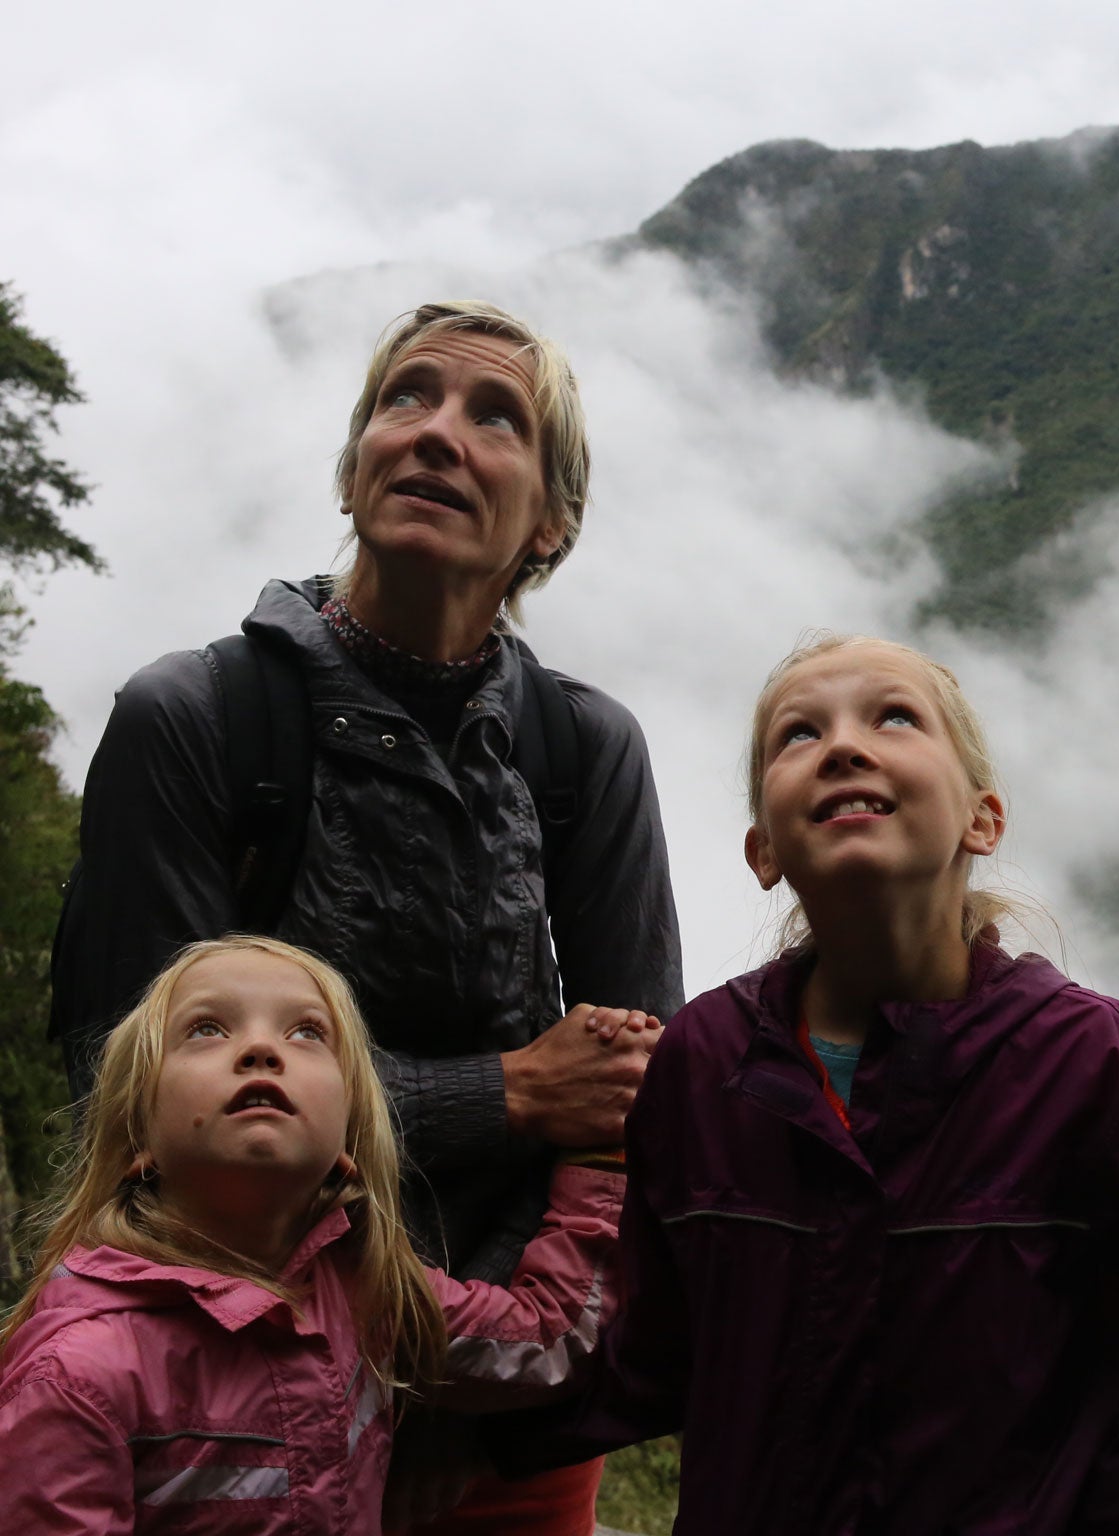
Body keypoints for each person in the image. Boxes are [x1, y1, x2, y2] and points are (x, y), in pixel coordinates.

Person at [48, 300, 683, 1528]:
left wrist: (457, 1396)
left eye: (495, 417)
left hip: (511, 1410)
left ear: (549, 524)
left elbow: (621, 1101)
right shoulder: (194, 720)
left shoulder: (581, 750)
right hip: (226, 1390)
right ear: (352, 471)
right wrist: (505, 1092)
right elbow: (124, 1085)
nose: (439, 433)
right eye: (408, 399)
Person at [491, 633, 1119, 1533]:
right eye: (798, 735)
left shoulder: (1083, 1061)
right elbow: (653, 1355)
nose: (845, 745)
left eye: (894, 717)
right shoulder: (705, 1061)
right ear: (762, 848)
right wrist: (450, 1448)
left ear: (983, 819)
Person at [0, 936, 624, 1533]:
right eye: (206, 1028)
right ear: (138, 1140)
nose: (261, 1050)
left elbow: (543, 1343)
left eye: (306, 1033)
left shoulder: (363, 1293)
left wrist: (604, 1149)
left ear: (349, 1145)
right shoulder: (78, 1377)